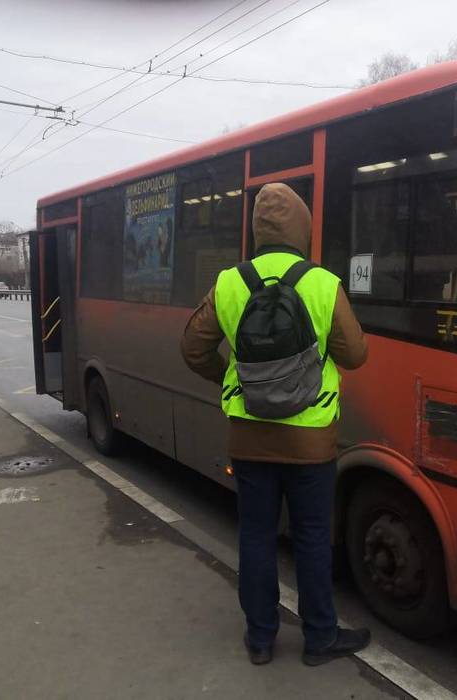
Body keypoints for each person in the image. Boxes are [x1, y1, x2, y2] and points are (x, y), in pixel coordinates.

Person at [180, 183, 370, 666]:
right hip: (312, 444)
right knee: (310, 537)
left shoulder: (229, 283)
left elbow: (192, 349)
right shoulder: (323, 283)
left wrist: (229, 374)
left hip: (249, 439)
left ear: (256, 230)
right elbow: (356, 354)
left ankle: (261, 639)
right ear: (302, 227)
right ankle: (319, 636)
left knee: (256, 536)